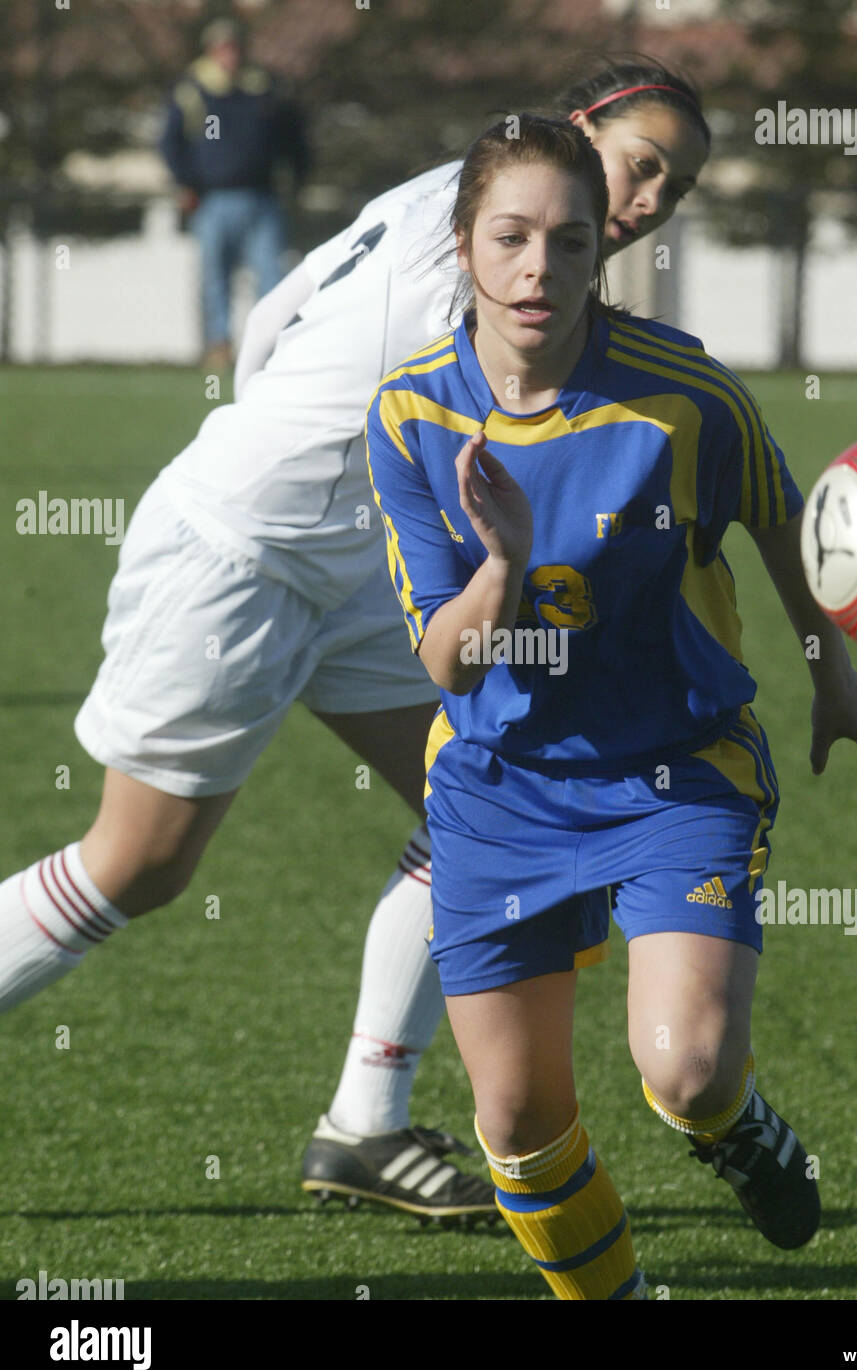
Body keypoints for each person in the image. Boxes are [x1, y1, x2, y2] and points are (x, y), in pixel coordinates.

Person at [0, 60, 711, 1226]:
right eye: (639, 164)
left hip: (345, 571)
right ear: (580, 129)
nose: (647, 202)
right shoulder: (486, 265)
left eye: (671, 189)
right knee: (136, 864)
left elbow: (277, 313)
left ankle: (364, 1128)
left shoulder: (456, 192)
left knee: (486, 802)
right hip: (239, 556)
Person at [365, 113, 857, 1299]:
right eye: (508, 237)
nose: (535, 268)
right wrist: (498, 563)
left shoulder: (683, 394)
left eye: (565, 240)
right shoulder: (409, 412)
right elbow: (446, 664)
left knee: (686, 1068)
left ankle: (736, 1126)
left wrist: (833, 674)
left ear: (599, 250)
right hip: (500, 787)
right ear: (462, 245)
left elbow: (778, 513)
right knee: (514, 1122)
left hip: (675, 766)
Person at [159, 17, 308, 368]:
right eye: (222, 48)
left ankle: (272, 349)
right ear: (211, 51)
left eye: (234, 47)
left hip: (262, 198)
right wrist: (186, 182)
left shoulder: (264, 89)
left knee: (272, 277)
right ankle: (218, 348)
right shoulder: (193, 89)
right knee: (215, 278)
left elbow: (293, 138)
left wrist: (297, 178)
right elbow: (171, 142)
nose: (230, 55)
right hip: (213, 200)